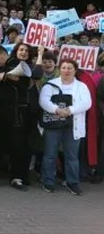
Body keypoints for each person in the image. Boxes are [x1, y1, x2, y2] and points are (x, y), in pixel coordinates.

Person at [0, 43, 43, 190]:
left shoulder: (18, 65)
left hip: (16, 114)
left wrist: (3, 76)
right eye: (21, 49)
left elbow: (19, 78)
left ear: (3, 54)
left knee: (17, 146)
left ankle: (16, 177)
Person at [39, 59, 91, 195]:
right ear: (59, 69)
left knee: (72, 156)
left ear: (75, 70)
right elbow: (43, 100)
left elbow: (87, 102)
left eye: (69, 68)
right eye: (64, 68)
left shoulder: (81, 86)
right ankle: (48, 181)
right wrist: (57, 110)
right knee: (50, 154)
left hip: (73, 126)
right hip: (53, 125)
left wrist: (70, 110)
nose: (66, 71)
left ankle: (72, 182)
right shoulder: (50, 85)